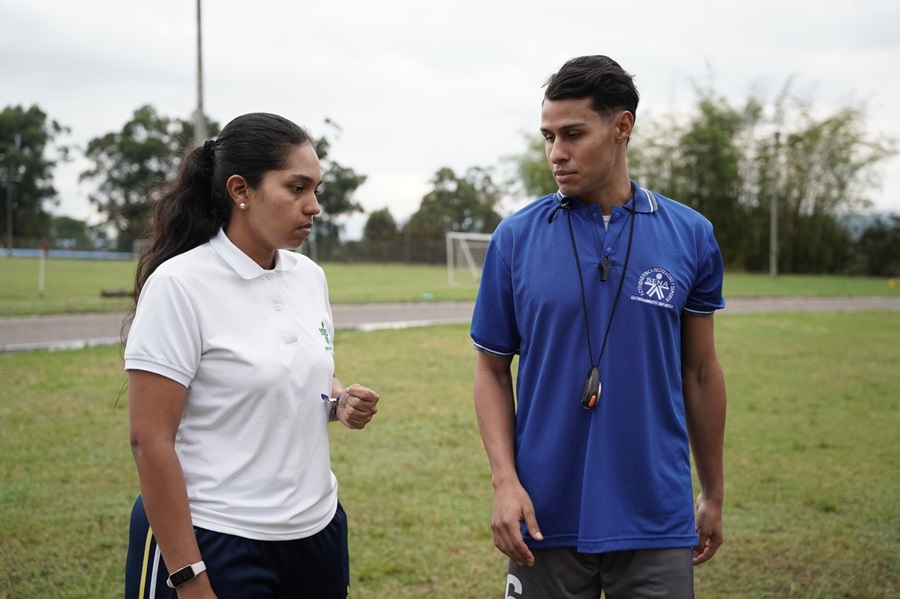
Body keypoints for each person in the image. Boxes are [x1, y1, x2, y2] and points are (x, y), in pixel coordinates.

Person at [471, 56, 727, 598]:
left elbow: (700, 372)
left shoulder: (691, 235)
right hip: (542, 513)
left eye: (572, 134)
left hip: (655, 514)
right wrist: (505, 482)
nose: (556, 153)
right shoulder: (515, 239)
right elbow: (491, 369)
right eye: (548, 136)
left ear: (622, 127)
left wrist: (713, 492)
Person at [123, 112, 380, 598]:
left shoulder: (310, 277)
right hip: (218, 539)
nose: (315, 206)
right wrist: (188, 576)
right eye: (297, 188)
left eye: (316, 189)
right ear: (241, 190)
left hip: (316, 532)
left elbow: (295, 377)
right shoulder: (180, 286)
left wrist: (339, 400)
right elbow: (150, 440)